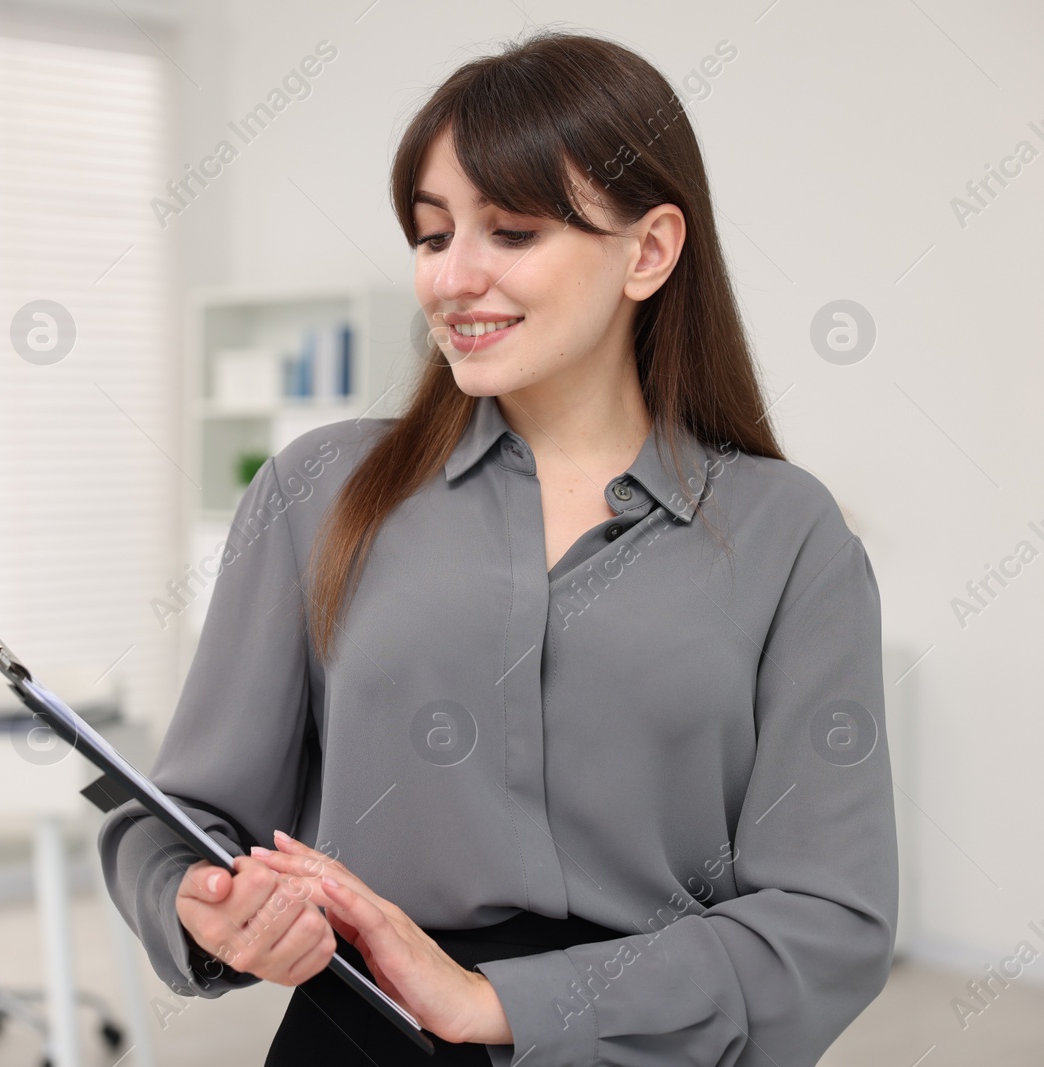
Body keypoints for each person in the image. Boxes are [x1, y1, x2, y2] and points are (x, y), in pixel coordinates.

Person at [98, 29, 896, 1067]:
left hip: (652, 1043)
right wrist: (199, 900)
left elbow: (827, 922)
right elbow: (180, 816)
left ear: (648, 251)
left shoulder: (792, 536)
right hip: (362, 1037)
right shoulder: (317, 491)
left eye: (511, 232)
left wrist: (498, 1000)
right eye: (432, 237)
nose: (453, 278)